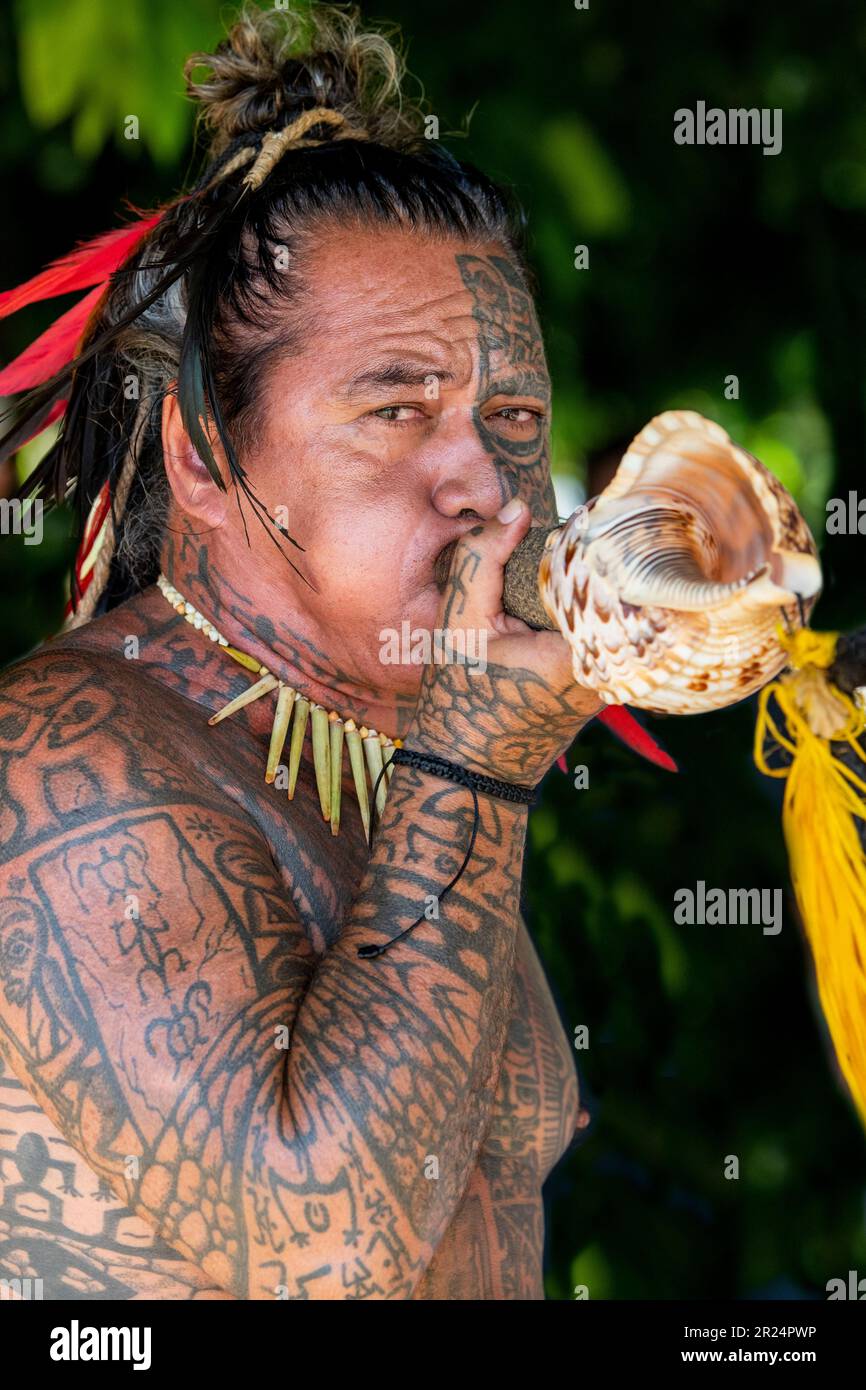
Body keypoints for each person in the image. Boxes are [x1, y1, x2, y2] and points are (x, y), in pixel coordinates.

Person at [0, 2, 599, 1301]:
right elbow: (321, 1252)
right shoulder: (59, 763)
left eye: (514, 415)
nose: (488, 484)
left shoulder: (393, 762)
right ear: (204, 454)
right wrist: (478, 766)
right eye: (397, 408)